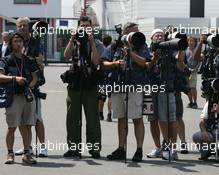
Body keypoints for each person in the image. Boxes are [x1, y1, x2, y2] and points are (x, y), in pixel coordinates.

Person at [133, 28, 186, 160]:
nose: (159, 36)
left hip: (166, 88)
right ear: (151, 38)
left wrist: (181, 48)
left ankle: (171, 149)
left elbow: (180, 66)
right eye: (156, 34)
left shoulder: (170, 48)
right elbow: (147, 67)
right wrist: (154, 59)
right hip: (150, 89)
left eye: (161, 34)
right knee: (153, 120)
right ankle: (158, 148)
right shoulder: (146, 49)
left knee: (168, 119)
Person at [102, 22, 152, 162]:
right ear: (125, 32)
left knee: (137, 118)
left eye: (138, 31)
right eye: (134, 32)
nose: (138, 34)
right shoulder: (115, 45)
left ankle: (139, 149)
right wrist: (115, 64)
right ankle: (121, 148)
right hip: (118, 86)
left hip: (135, 86)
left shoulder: (141, 45)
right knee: (121, 118)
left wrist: (131, 52)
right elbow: (103, 63)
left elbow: (146, 63)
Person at [63, 16, 104, 158]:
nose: (85, 28)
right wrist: (71, 39)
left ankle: (94, 149)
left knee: (92, 117)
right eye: (83, 26)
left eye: (88, 26)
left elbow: (96, 61)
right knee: (72, 117)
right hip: (75, 82)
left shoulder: (97, 43)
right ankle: (74, 148)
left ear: (92, 27)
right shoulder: (74, 42)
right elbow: (66, 56)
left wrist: (91, 42)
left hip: (90, 83)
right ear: (78, 27)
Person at [0, 32, 38, 164]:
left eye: (20, 41)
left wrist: (30, 87)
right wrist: (14, 78)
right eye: (15, 41)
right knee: (12, 127)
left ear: (23, 44)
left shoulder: (29, 60)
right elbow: (0, 76)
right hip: (13, 96)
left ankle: (27, 154)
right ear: (11, 44)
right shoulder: (6, 60)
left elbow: (35, 77)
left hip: (27, 96)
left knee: (27, 126)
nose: (18, 43)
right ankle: (10, 154)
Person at [14, 17, 48, 157]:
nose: (22, 27)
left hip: (33, 85)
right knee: (21, 119)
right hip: (17, 85)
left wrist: (38, 62)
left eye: (25, 25)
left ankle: (43, 147)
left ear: (29, 27)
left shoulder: (35, 42)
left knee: (37, 118)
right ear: (17, 27)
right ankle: (26, 146)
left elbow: (40, 61)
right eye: (20, 25)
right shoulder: (14, 41)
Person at [185, 36, 199, 109]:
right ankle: (190, 102)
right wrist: (186, 68)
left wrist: (195, 69)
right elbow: (183, 61)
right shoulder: (185, 50)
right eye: (189, 41)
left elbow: (199, 61)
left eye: (192, 41)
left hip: (193, 72)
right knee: (188, 88)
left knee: (193, 87)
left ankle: (195, 102)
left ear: (195, 42)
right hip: (186, 71)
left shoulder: (197, 50)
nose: (191, 42)